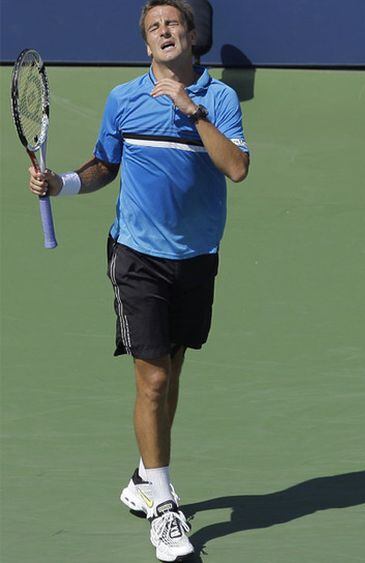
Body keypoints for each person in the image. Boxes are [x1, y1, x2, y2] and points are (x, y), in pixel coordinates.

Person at [28, 0, 249, 560]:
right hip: (137, 256)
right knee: (151, 381)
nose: (165, 32)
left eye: (173, 23)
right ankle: (166, 510)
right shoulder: (123, 100)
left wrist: (192, 110)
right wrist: (63, 184)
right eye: (154, 28)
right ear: (146, 45)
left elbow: (237, 168)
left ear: (192, 36)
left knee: (171, 374)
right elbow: (105, 164)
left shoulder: (219, 99)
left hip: (196, 256)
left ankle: (144, 479)